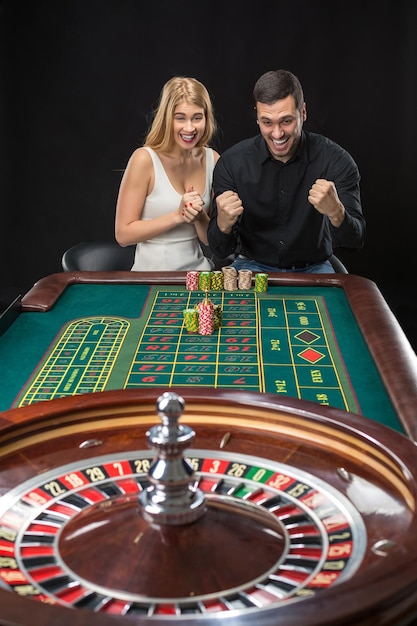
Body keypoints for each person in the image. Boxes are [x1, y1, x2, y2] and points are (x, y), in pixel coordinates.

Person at [208, 69, 365, 273]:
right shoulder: (231, 164)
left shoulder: (336, 160)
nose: (277, 133)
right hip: (250, 266)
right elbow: (219, 249)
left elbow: (355, 241)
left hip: (314, 267)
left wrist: (337, 213)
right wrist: (223, 224)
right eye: (267, 122)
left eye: (286, 121)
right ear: (257, 117)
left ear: (303, 113)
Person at [115, 76, 219, 271]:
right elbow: (123, 235)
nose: (190, 128)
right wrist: (177, 216)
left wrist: (198, 217)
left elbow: (208, 239)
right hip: (150, 278)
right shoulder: (144, 159)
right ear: (166, 118)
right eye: (180, 118)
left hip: (199, 275)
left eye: (197, 117)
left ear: (206, 117)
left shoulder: (212, 159)